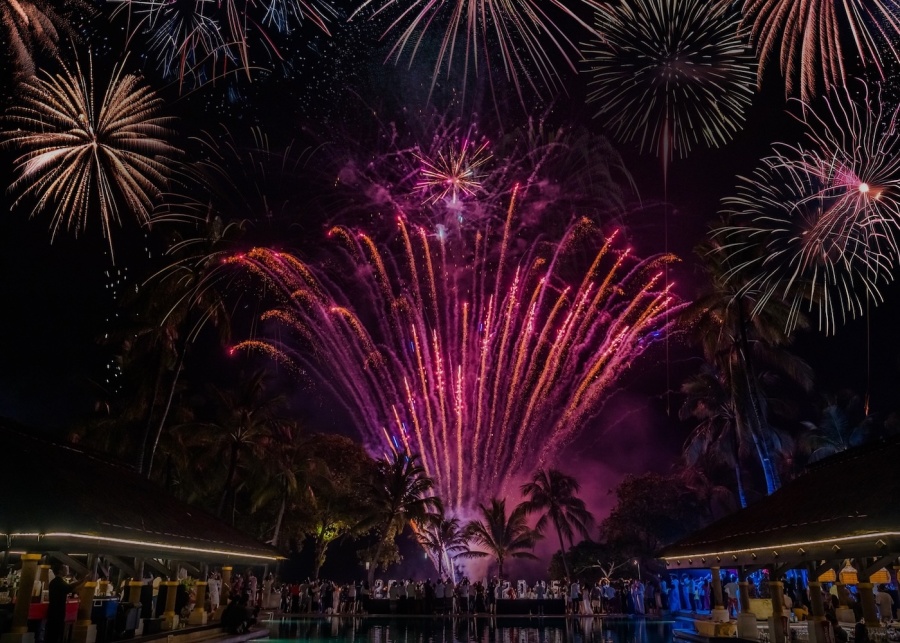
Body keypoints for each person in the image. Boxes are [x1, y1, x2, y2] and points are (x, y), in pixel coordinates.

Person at [46, 565, 85, 643]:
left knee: (52, 634)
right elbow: (71, 588)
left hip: (54, 611)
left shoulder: (55, 582)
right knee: (55, 634)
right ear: (60, 571)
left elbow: (70, 587)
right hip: (57, 612)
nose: (68, 570)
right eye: (65, 568)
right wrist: (84, 580)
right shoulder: (58, 582)